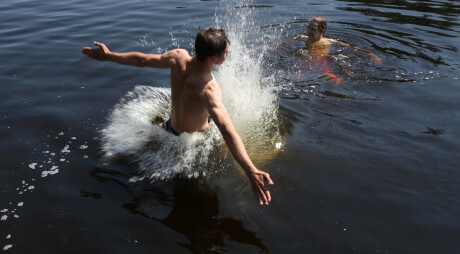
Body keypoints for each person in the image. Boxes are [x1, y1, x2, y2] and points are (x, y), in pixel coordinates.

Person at [82, 28, 274, 205]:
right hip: (191, 143)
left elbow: (141, 60)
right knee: (218, 183)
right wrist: (250, 169)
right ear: (214, 58)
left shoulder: (177, 57)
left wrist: (109, 56)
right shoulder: (208, 88)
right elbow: (227, 129)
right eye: (226, 51)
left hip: (168, 129)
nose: (228, 53)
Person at [296, 16, 381, 85]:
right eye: (308, 28)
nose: (309, 31)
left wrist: (371, 54)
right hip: (306, 60)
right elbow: (288, 41)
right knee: (296, 78)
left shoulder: (329, 41)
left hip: (321, 61)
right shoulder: (303, 38)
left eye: (313, 28)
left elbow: (351, 47)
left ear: (323, 29)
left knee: (332, 78)